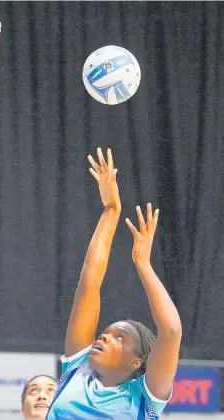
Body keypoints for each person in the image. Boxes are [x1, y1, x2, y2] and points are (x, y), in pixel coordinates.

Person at [46, 148, 182, 419]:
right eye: (107, 332)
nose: (104, 336)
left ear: (137, 361)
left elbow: (171, 331)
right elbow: (89, 284)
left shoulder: (145, 398)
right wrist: (111, 211)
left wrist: (143, 264)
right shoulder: (77, 369)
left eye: (120, 338)